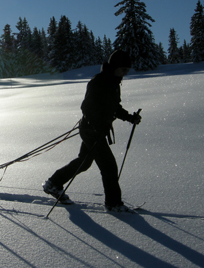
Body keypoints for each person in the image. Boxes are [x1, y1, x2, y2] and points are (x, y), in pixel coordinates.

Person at [43, 50, 141, 212]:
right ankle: (113, 203)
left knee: (84, 162)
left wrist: (130, 118)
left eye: (127, 70)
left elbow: (114, 107)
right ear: (114, 67)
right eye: (123, 69)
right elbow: (86, 107)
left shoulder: (114, 83)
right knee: (109, 166)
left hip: (97, 130)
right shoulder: (98, 82)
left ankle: (53, 183)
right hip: (91, 130)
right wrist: (96, 124)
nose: (125, 73)